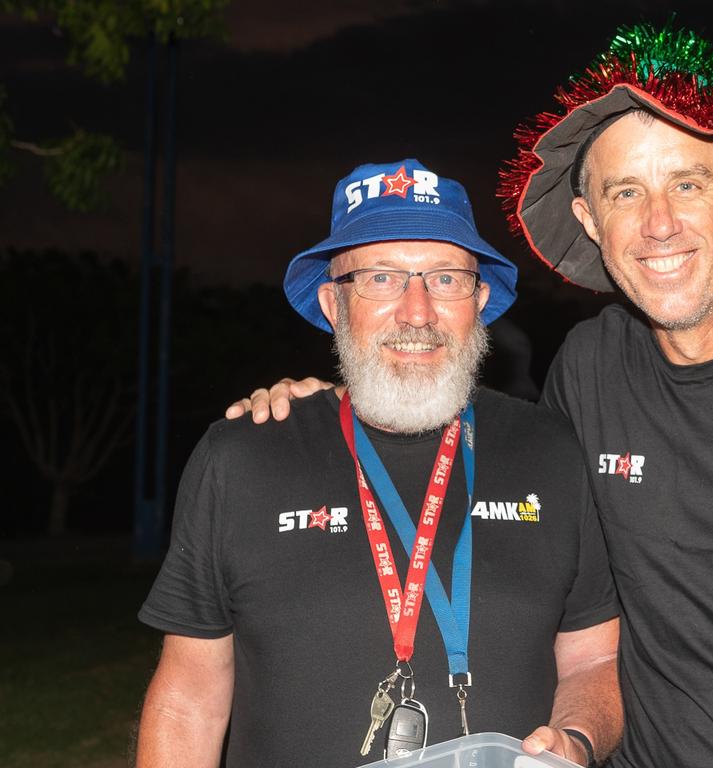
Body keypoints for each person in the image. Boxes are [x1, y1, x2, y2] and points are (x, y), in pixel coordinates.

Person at [229, 23, 713, 768]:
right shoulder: (590, 366)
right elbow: (478, 460)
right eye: (626, 192)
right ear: (589, 221)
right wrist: (334, 404)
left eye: (687, 184)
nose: (659, 223)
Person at [136, 159, 622, 768]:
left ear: (482, 300)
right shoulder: (243, 457)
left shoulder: (552, 452)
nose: (417, 312)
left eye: (445, 279)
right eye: (381, 279)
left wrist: (575, 738)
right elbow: (188, 700)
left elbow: (595, 660)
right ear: (333, 304)